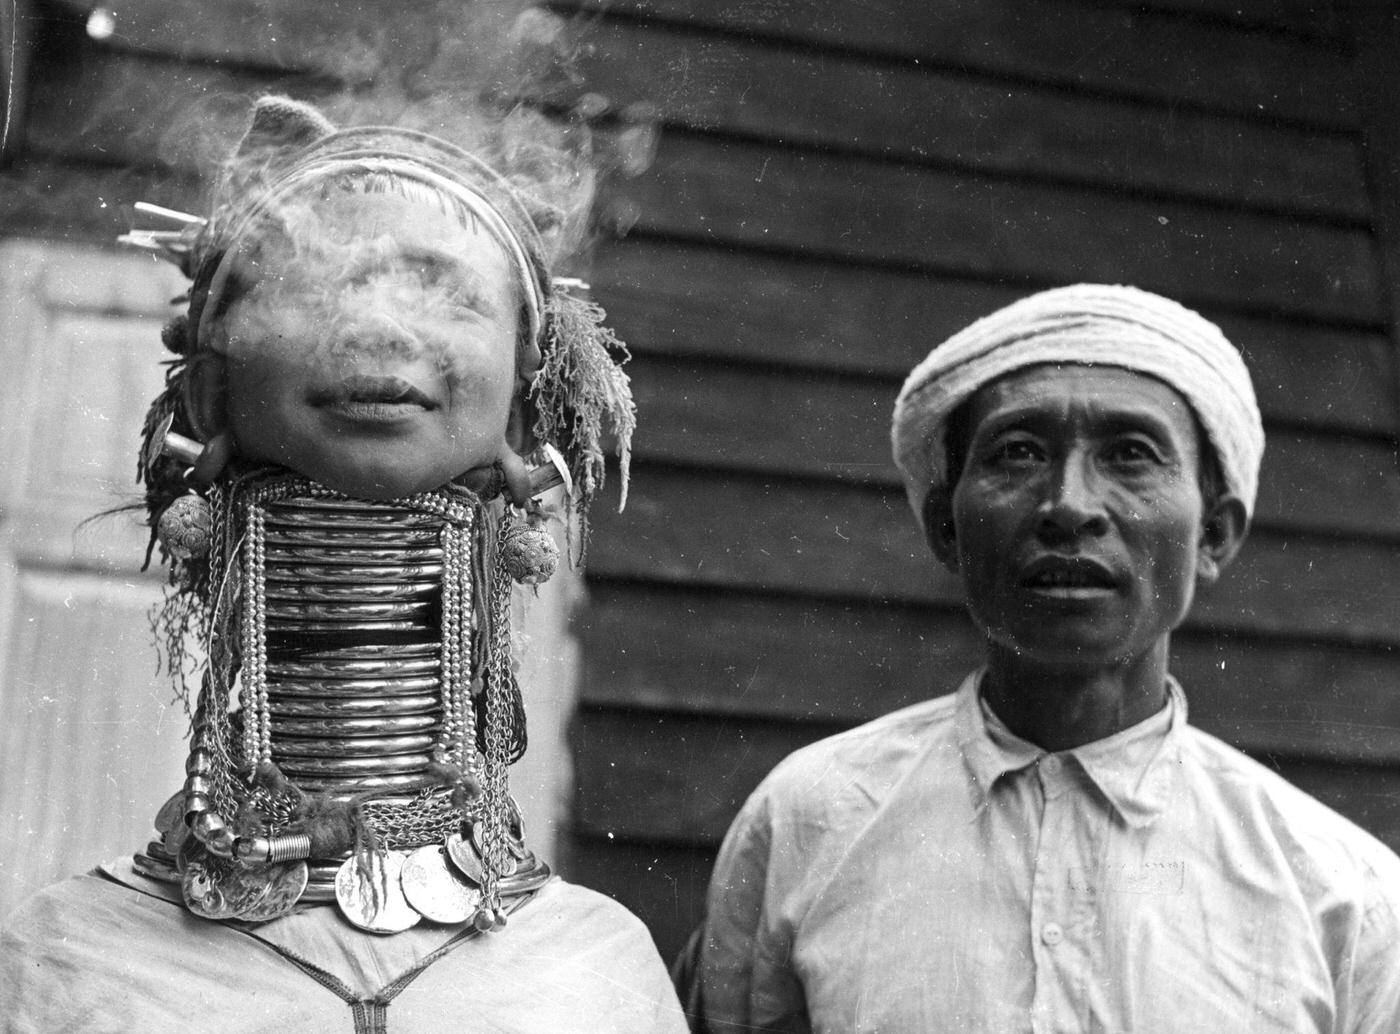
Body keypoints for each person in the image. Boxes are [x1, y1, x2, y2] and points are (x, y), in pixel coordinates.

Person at [0, 96, 686, 1033]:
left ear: (523, 415)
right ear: (210, 390)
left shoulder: (597, 978)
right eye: (323, 282)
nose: (381, 324)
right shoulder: (63, 964)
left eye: (442, 290)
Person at [687, 284, 1400, 1033]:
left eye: (1130, 454)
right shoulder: (808, 820)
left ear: (1214, 535)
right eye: (1019, 452)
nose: (1069, 504)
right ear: (947, 530)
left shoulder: (1344, 896)